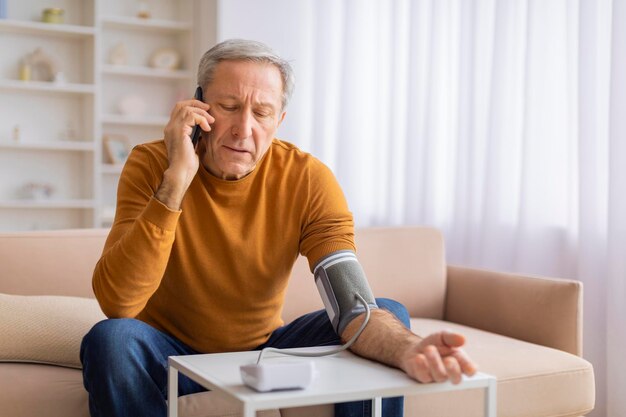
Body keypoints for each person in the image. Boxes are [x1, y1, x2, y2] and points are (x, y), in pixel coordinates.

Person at [80, 39, 477, 417]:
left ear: (279, 120)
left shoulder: (308, 178)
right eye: (229, 106)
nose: (243, 128)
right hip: (169, 354)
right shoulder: (152, 164)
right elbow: (119, 305)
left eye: (262, 112)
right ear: (199, 107)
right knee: (111, 339)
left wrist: (409, 350)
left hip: (266, 354)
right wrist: (176, 181)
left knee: (388, 313)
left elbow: (352, 305)